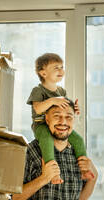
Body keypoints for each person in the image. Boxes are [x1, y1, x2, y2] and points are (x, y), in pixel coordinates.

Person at [9, 99, 98, 200]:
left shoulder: (77, 155)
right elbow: (12, 198)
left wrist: (94, 177)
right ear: (46, 119)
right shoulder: (30, 152)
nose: (63, 122)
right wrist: (44, 178)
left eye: (68, 116)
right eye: (57, 115)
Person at [26, 53, 88, 184]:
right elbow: (38, 108)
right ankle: (52, 172)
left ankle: (83, 169)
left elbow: (66, 107)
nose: (61, 70)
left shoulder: (62, 91)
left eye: (62, 67)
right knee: (47, 140)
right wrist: (53, 100)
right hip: (41, 125)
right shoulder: (38, 90)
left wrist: (74, 108)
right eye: (56, 68)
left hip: (56, 125)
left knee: (78, 139)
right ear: (43, 73)